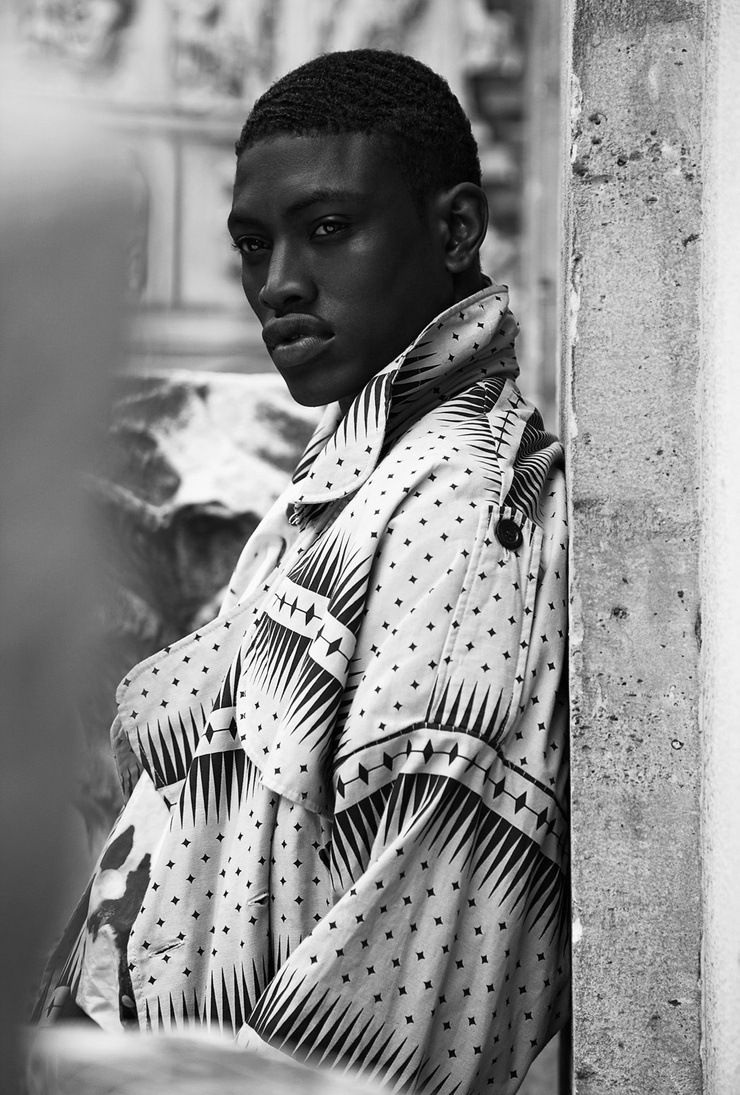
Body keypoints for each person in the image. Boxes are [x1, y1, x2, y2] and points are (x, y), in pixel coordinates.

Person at [37, 49, 569, 1095]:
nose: (277, 282)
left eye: (326, 228)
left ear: (455, 230)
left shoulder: (462, 515)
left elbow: (393, 1019)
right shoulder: (358, 463)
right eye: (253, 244)